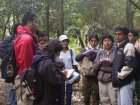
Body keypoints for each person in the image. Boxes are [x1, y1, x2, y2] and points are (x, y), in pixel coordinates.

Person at [14, 12, 39, 105]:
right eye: (36, 22)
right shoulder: (26, 39)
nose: (37, 25)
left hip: (24, 77)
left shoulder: (25, 36)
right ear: (29, 22)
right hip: (26, 80)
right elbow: (27, 66)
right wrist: (32, 86)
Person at [33, 39, 67, 105]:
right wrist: (63, 75)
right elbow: (55, 80)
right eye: (58, 52)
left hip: (43, 95)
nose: (59, 54)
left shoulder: (42, 58)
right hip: (45, 97)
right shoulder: (46, 62)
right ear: (54, 51)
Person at [112, 26, 136, 105]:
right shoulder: (118, 46)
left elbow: (129, 65)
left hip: (127, 82)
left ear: (126, 35)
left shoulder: (129, 46)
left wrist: (119, 76)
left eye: (120, 34)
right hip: (120, 82)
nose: (117, 36)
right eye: (116, 34)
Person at [75, 34, 100, 105]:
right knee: (86, 96)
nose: (93, 43)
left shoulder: (100, 51)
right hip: (86, 76)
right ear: (89, 41)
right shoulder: (85, 49)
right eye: (92, 41)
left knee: (96, 96)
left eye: (95, 41)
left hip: (95, 76)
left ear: (98, 42)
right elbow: (77, 58)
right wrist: (86, 53)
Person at [94, 34, 117, 105]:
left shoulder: (116, 51)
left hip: (112, 79)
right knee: (104, 100)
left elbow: (119, 66)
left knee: (114, 101)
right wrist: (99, 63)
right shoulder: (100, 52)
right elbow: (95, 67)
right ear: (102, 42)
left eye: (109, 40)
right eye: (105, 41)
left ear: (112, 41)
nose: (107, 42)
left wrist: (111, 63)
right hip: (101, 80)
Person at [59, 35, 78, 105]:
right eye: (63, 41)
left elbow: (75, 62)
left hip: (70, 74)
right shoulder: (58, 51)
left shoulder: (71, 51)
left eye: (66, 41)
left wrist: (76, 70)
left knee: (69, 92)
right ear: (60, 42)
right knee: (61, 91)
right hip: (61, 74)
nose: (65, 42)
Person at [7, 23, 21, 105]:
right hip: (11, 69)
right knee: (11, 89)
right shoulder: (11, 40)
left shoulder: (18, 40)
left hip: (16, 69)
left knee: (15, 90)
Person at [128, 29, 140, 105]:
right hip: (129, 76)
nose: (128, 37)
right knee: (130, 96)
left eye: (130, 35)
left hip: (138, 75)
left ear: (135, 37)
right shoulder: (127, 46)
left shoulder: (138, 46)